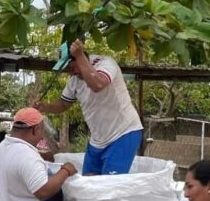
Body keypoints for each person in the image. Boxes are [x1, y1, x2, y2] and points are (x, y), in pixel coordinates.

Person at [33, 39, 143, 175]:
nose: (71, 73)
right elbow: (63, 104)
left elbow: (98, 85)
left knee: (109, 187)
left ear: (81, 57)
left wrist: (79, 56)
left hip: (124, 133)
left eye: (72, 68)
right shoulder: (73, 80)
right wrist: (44, 107)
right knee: (88, 182)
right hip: (97, 140)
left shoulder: (106, 64)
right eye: (67, 71)